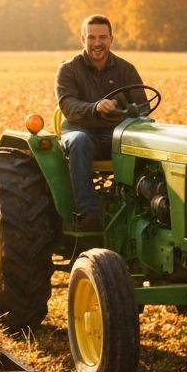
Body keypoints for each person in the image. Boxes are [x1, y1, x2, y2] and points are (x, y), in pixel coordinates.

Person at [56, 15, 146, 231]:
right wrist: (95, 107)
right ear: (82, 39)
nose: (97, 43)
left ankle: (143, 208)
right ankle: (88, 214)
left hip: (115, 135)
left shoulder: (126, 69)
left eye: (103, 37)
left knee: (148, 143)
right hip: (80, 131)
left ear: (111, 39)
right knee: (80, 141)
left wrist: (127, 109)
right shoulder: (69, 70)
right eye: (92, 37)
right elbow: (67, 105)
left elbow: (143, 106)